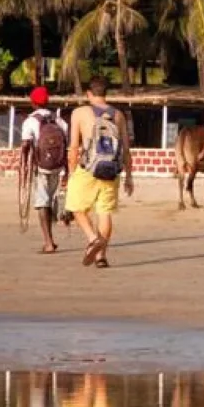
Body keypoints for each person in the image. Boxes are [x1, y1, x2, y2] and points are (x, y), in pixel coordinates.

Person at [64, 76, 132, 269]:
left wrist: (71, 173)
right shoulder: (118, 115)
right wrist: (129, 177)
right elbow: (126, 149)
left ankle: (93, 238)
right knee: (105, 213)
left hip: (87, 169)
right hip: (111, 170)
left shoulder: (79, 113)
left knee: (76, 207)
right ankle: (101, 256)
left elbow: (74, 147)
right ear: (105, 93)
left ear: (89, 94)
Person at [16, 85, 68, 254]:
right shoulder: (59, 121)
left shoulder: (30, 121)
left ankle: (48, 243)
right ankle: (56, 223)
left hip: (41, 167)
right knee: (50, 198)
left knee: (42, 202)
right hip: (58, 166)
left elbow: (25, 144)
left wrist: (23, 161)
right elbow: (66, 145)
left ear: (33, 103)